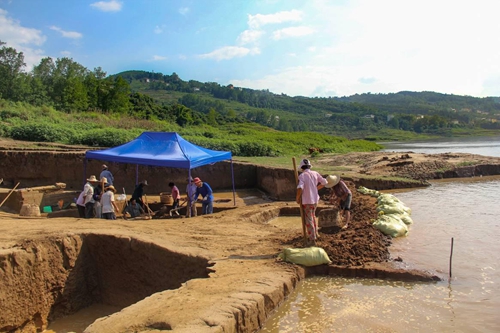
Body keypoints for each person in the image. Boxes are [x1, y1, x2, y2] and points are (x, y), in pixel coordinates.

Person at [296, 159, 328, 246]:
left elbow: (300, 188)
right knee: (313, 216)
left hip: (307, 201)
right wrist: (315, 189)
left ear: (302, 168)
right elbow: (325, 182)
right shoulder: (315, 173)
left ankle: (312, 239)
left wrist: (297, 198)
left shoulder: (302, 176)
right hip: (315, 200)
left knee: (308, 219)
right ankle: (315, 233)